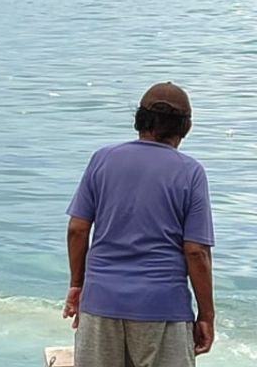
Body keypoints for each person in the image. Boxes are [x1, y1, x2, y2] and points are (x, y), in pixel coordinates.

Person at [63, 82, 215, 366]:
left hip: (100, 303)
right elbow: (196, 252)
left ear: (139, 120)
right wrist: (206, 316)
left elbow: (77, 229)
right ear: (185, 127)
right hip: (163, 308)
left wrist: (77, 284)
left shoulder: (102, 159)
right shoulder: (190, 172)